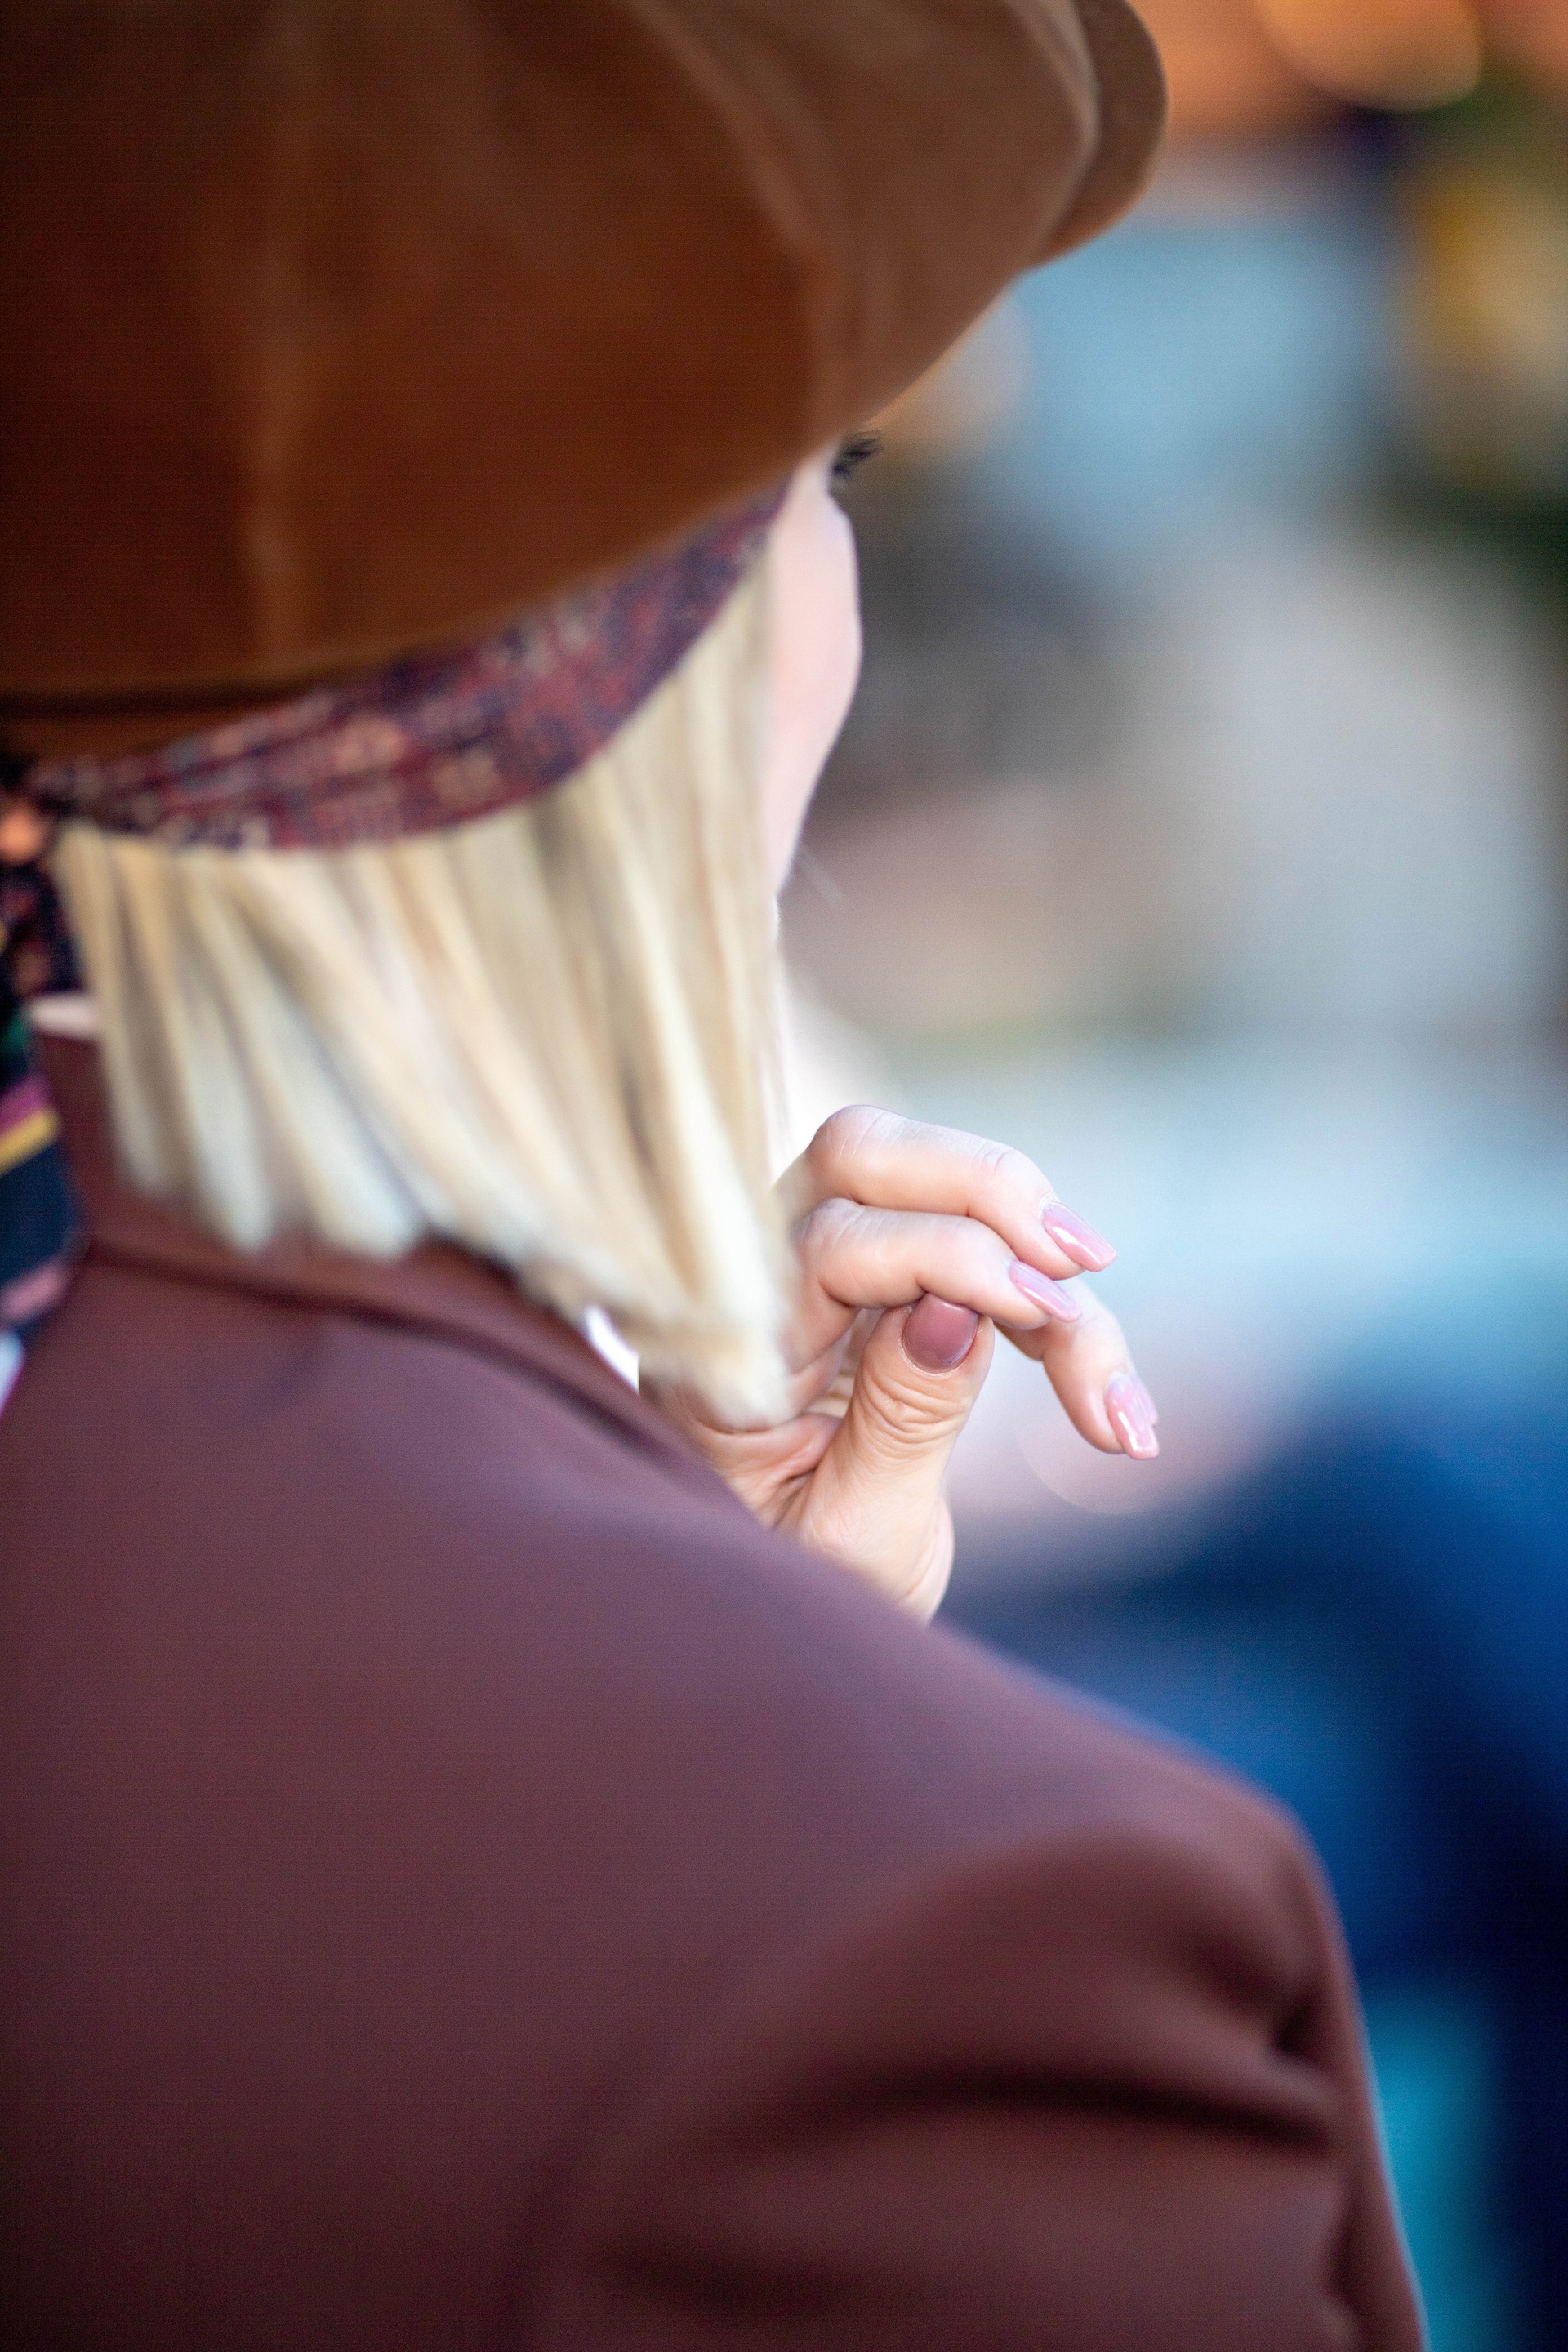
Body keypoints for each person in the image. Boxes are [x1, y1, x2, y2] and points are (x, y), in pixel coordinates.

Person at [1, 2, 1421, 2343]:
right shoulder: (965, 1952)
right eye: (818, 473)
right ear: (642, 655)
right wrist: (756, 1730)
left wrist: (710, 1605)